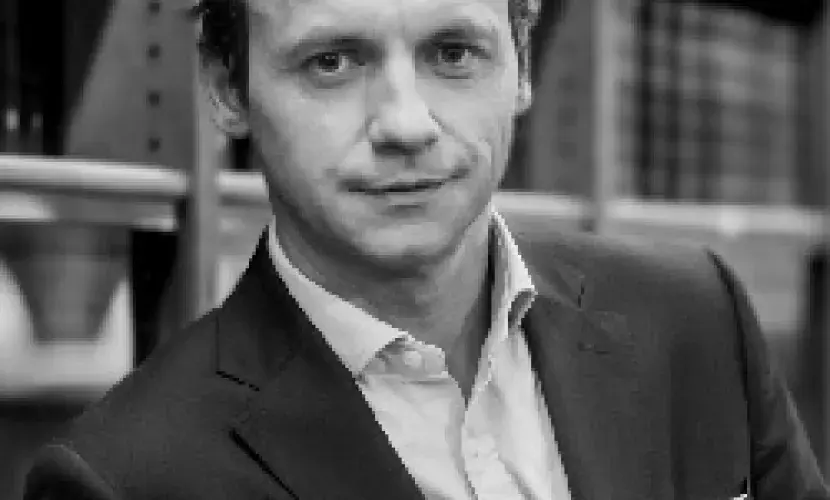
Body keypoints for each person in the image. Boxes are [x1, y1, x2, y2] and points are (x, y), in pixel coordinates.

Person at [22, 0, 830, 498]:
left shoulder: (698, 320)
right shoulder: (126, 481)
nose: (406, 124)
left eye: (452, 52)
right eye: (332, 62)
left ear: (520, 57)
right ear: (227, 85)